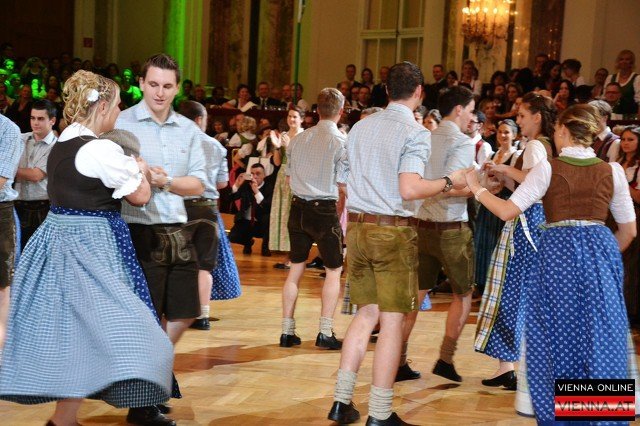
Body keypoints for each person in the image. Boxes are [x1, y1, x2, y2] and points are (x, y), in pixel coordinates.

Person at [0, 70, 174, 426]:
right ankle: (138, 402)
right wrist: (140, 168)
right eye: (118, 105)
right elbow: (140, 196)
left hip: (58, 242)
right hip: (92, 246)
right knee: (141, 334)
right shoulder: (100, 149)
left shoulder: (64, 142)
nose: (120, 111)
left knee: (78, 336)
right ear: (103, 107)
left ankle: (64, 419)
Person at [466, 104, 637, 424]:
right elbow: (628, 231)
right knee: (599, 338)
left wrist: (476, 188)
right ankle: (598, 416)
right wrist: (599, 260)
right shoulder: (612, 171)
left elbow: (507, 211)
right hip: (599, 261)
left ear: (563, 131)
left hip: (557, 260)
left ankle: (562, 416)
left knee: (558, 339)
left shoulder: (548, 168)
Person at [327, 62, 466, 425]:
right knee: (391, 321)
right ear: (419, 92)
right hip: (393, 231)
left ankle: (342, 401)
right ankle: (380, 412)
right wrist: (449, 181)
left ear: (387, 91)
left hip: (358, 229)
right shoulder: (415, 132)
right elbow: (409, 188)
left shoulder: (360, 127)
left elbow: (342, 181)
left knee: (365, 315)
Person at [116, 54, 206, 424]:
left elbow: (198, 184)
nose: (160, 92)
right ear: (141, 82)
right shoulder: (121, 123)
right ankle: (142, 403)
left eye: (167, 86)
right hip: (138, 230)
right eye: (153, 84)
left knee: (186, 311)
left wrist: (164, 180)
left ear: (177, 88)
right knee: (148, 319)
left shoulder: (187, 129)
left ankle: (154, 372)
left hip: (179, 229)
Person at [474, 93, 556, 391]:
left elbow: (533, 183)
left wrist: (503, 170)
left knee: (511, 293)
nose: (518, 120)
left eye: (522, 115)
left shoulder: (536, 145)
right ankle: (507, 365)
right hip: (533, 219)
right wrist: (504, 176)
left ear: (537, 117)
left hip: (526, 223)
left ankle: (510, 365)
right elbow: (528, 184)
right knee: (517, 294)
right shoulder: (543, 144)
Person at [280, 88, 346, 350]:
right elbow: (343, 185)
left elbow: (288, 180)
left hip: (298, 208)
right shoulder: (341, 142)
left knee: (296, 268)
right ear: (341, 112)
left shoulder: (298, 139)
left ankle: (287, 332)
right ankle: (325, 332)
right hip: (324, 210)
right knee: (333, 270)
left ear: (317, 110)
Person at [178, 100, 230, 331]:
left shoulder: (175, 143)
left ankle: (180, 311)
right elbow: (222, 183)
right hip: (208, 207)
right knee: (204, 265)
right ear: (199, 119)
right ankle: (203, 315)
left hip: (180, 206)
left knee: (179, 262)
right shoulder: (216, 146)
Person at [473, 119, 520, 296]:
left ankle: (501, 288)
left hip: (504, 203)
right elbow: (483, 181)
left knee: (499, 244)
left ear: (514, 135)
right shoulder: (492, 155)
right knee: (484, 243)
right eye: (500, 132)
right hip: (489, 203)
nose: (502, 135)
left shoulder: (516, 156)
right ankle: (484, 285)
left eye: (507, 132)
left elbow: (516, 183)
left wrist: (500, 172)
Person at [14, 100, 57, 248]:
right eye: (33, 118)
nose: (35, 122)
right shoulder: (21, 138)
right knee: (18, 251)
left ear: (52, 121)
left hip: (42, 207)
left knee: (39, 252)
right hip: (17, 203)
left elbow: (36, 175)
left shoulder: (56, 146)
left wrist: (7, 169)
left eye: (40, 118)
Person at [270, 107, 305, 269]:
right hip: (282, 176)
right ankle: (287, 255)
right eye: (290, 116)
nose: (291, 119)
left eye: (295, 117)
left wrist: (289, 145)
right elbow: (277, 162)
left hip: (296, 176)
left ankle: (295, 256)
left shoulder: (304, 136)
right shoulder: (284, 135)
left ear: (301, 119)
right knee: (283, 215)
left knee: (293, 216)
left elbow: (301, 160)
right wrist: (277, 146)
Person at [0, 113, 22, 351]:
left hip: (1, 212)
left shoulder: (8, 130)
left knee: (2, 285)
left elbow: (1, 179)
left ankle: (1, 351)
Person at [618, 126, 640, 322]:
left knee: (632, 265)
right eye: (623, 139)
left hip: (634, 217)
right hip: (614, 216)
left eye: (630, 139)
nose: (625, 143)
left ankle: (631, 311)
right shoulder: (618, 162)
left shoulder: (638, 167)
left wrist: (622, 183)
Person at [228, 163, 274, 255]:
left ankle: (265, 247)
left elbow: (267, 206)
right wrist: (236, 185)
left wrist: (256, 191)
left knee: (268, 219)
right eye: (252, 174)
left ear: (264, 175)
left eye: (258, 174)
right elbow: (231, 198)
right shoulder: (246, 185)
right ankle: (248, 243)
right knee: (232, 237)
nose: (255, 176)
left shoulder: (269, 187)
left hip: (261, 222)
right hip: (245, 221)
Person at [603, 49, 640, 118]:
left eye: (627, 59)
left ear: (631, 62)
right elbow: (605, 98)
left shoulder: (637, 79)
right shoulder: (610, 78)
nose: (624, 61)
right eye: (621, 59)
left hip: (629, 116)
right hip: (612, 116)